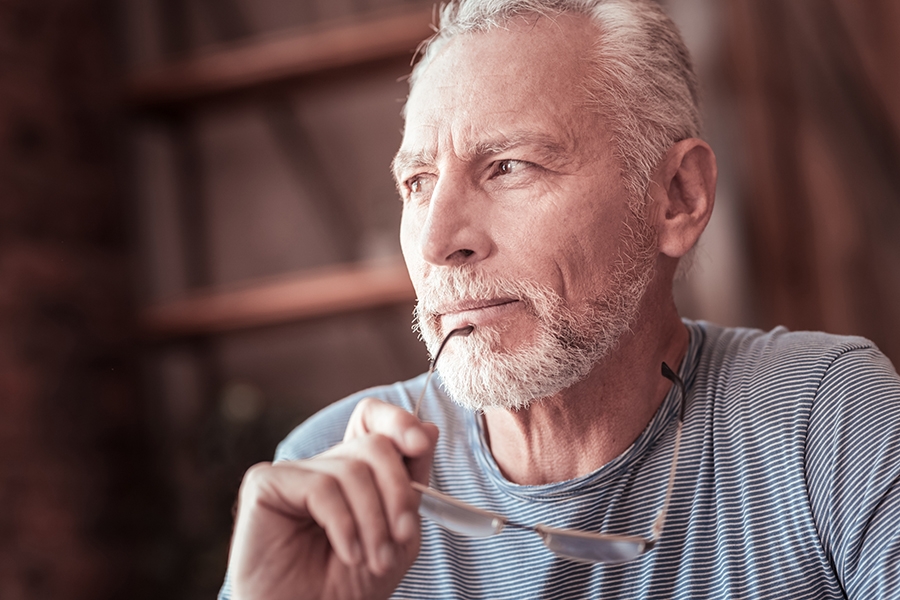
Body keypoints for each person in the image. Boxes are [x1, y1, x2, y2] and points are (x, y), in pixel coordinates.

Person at [219, 0, 900, 598]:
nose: (436, 242)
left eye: (509, 166)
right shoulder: (328, 480)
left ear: (677, 198)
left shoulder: (824, 417)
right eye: (419, 183)